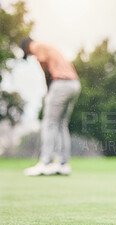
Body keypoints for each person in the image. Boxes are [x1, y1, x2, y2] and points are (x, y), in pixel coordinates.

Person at [20, 37, 81, 176]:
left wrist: (49, 90)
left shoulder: (35, 46)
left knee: (49, 123)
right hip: (74, 84)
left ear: (25, 47)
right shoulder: (48, 46)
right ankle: (62, 164)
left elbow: (46, 69)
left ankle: (45, 163)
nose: (29, 55)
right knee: (61, 124)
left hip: (60, 83)